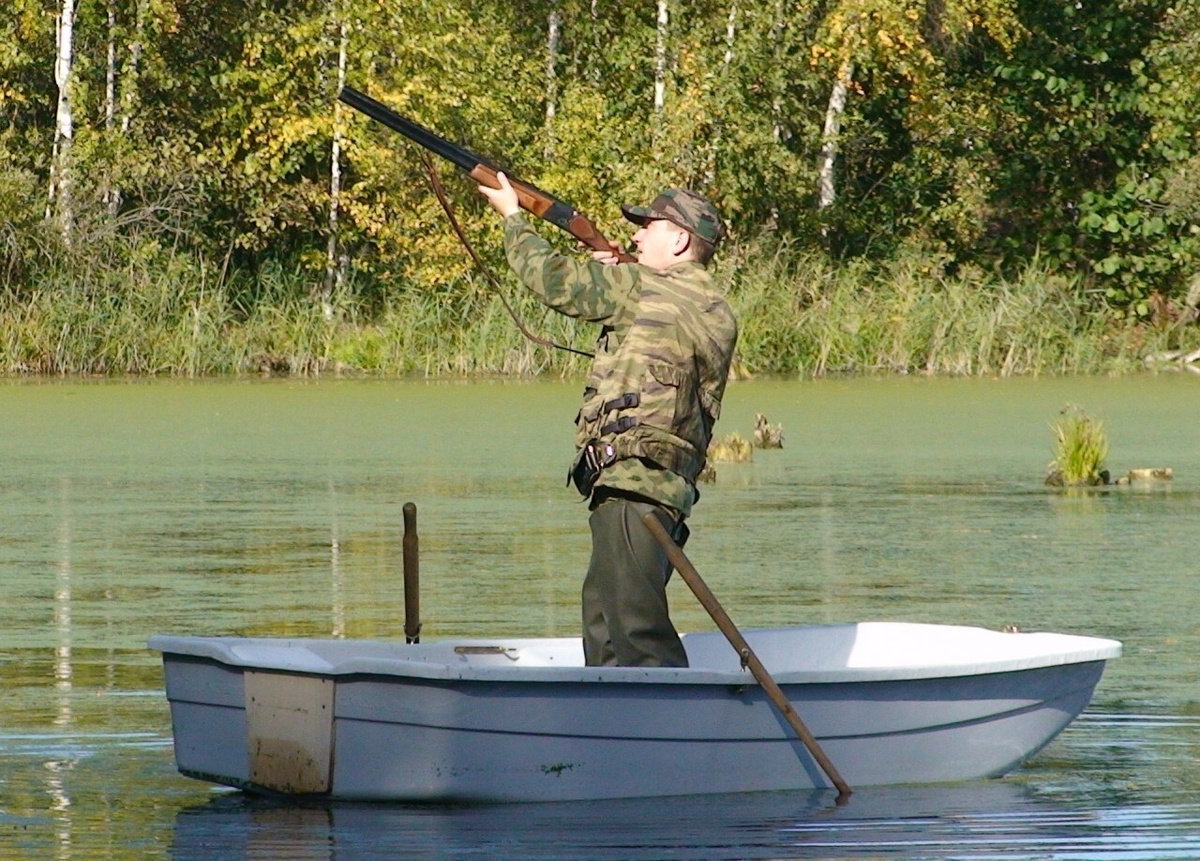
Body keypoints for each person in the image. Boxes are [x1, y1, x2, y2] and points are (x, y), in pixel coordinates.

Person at [479, 173, 737, 668]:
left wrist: (513, 217)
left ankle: (669, 731)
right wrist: (620, 273)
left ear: (680, 238)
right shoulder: (715, 307)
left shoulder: (639, 288)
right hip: (662, 488)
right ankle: (618, 729)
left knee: (635, 635)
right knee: (606, 628)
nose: (637, 235)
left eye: (649, 226)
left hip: (632, 484)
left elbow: (554, 279)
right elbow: (657, 333)